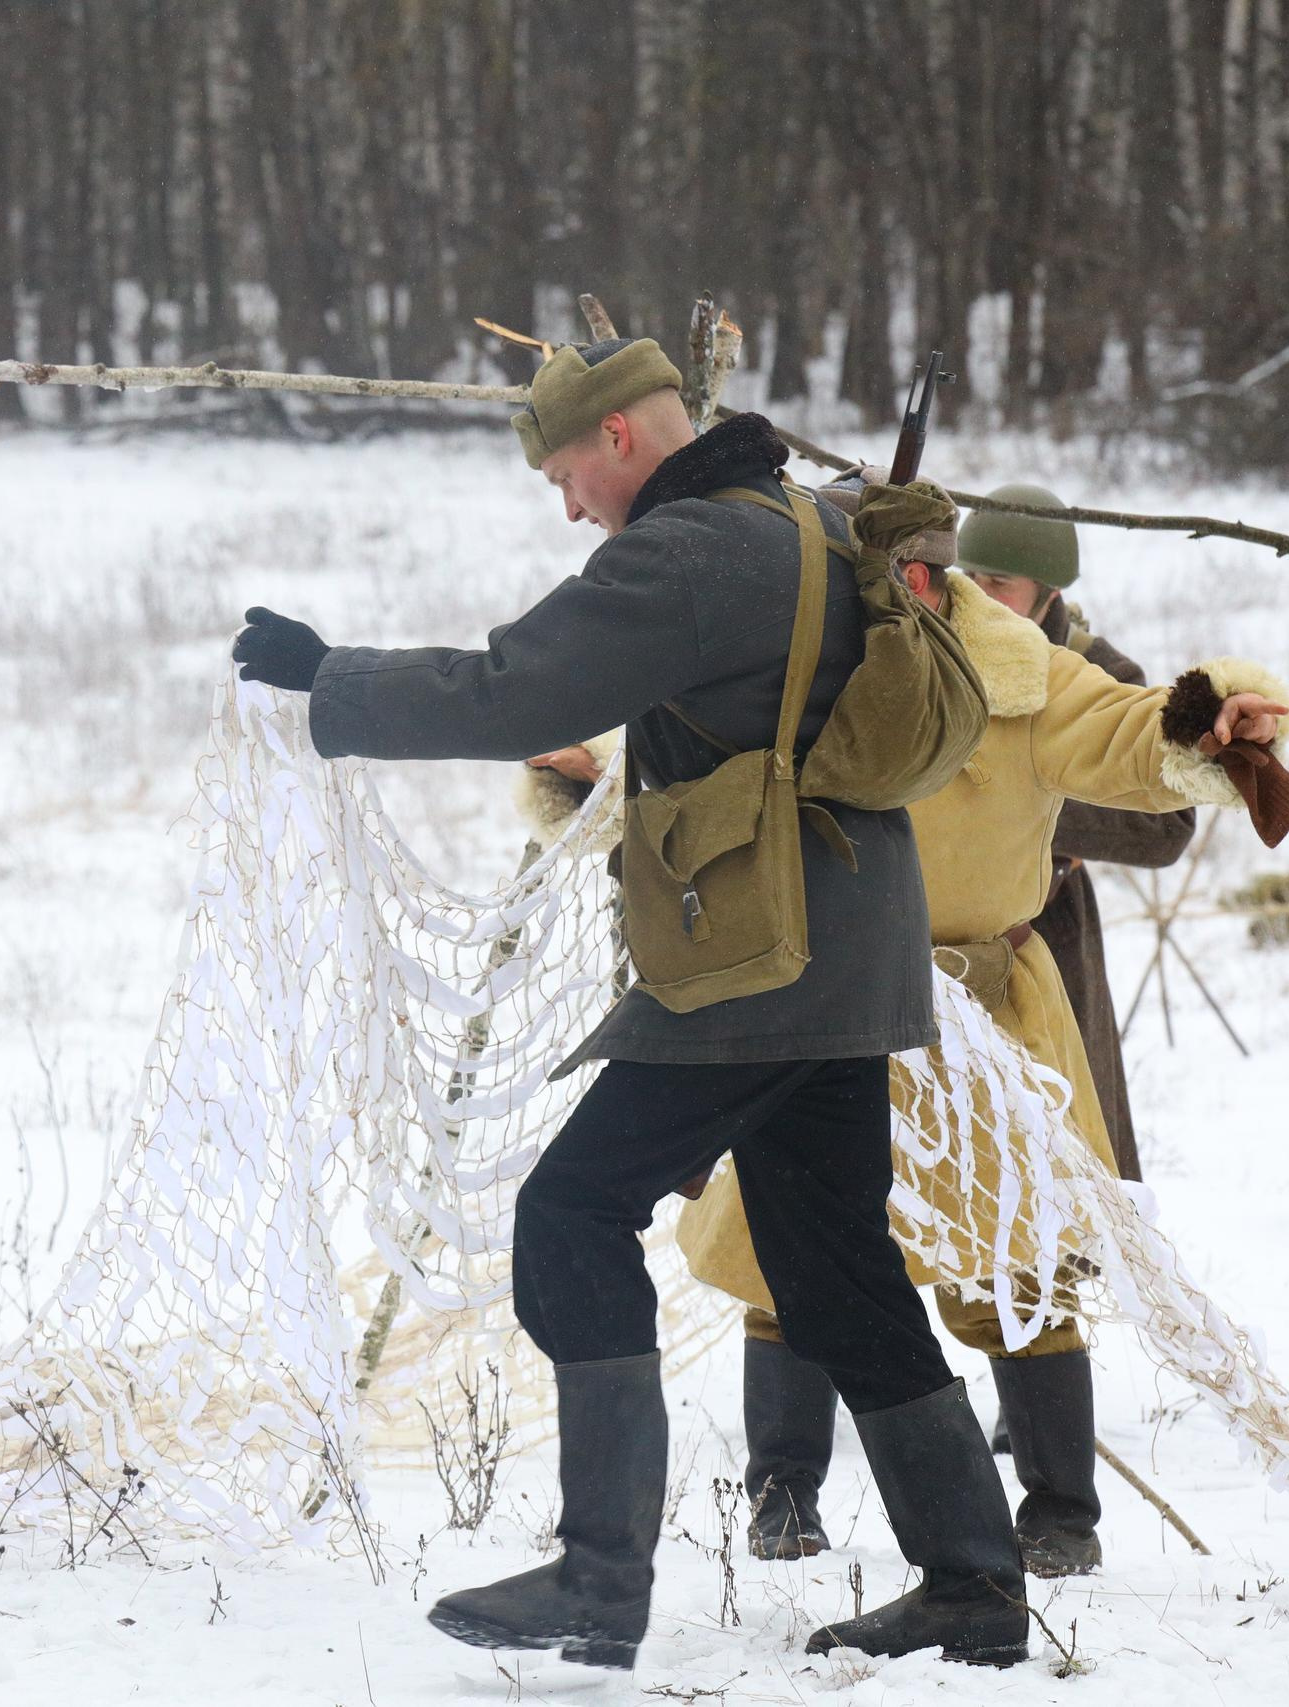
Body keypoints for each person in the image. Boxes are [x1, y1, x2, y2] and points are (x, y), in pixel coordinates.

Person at [233, 336, 1028, 1669]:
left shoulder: (693, 551)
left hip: (761, 955)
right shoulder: (813, 519)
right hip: (844, 946)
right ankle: (974, 1582)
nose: (568, 508)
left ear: (618, 438)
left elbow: (513, 686)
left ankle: (603, 1572)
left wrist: (333, 680)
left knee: (571, 1210)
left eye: (563, 476)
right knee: (838, 1270)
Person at [675, 475, 1289, 1579]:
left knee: (1018, 1266)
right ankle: (781, 1494)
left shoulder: (1017, 667)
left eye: (921, 571)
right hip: (818, 1004)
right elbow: (682, 754)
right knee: (786, 1252)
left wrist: (1205, 719)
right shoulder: (792, 653)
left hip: (976, 1015)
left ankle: (1059, 1513)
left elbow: (1121, 729)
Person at [960, 486, 1195, 1183]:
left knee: (1056, 1184)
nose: (976, 594)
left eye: (996, 582)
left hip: (1045, 945)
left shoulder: (1099, 674)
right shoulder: (934, 649)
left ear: (1049, 591)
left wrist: (1022, 789)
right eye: (967, 577)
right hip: (931, 956)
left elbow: (1166, 826)